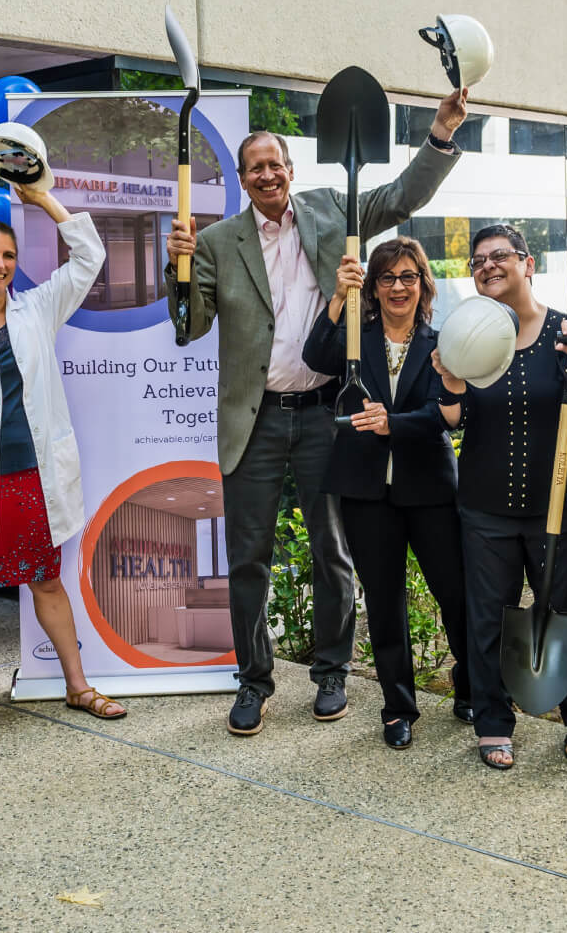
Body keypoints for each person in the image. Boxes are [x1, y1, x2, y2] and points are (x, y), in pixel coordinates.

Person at [167, 92, 468, 737]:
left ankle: (332, 672)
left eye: (275, 164)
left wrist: (440, 135)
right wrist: (179, 269)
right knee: (248, 557)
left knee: (333, 551)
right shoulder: (216, 243)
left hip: (328, 412)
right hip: (255, 419)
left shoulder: (333, 210)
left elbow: (402, 197)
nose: (267, 175)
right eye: (255, 168)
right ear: (242, 178)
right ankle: (254, 680)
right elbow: (189, 328)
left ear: (290, 169)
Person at [0, 181, 125, 745]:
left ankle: (78, 686)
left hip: (36, 478)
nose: (0, 264)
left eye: (9, 255)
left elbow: (90, 256)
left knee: (47, 582)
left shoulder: (37, 308)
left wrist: (43, 201)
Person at [433, 224, 567, 771]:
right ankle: (493, 722)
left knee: (566, 610)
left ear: (528, 264)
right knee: (488, 617)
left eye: (499, 255)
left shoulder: (566, 334)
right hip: (485, 506)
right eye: (477, 261)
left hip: (556, 501)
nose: (487, 265)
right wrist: (450, 380)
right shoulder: (465, 336)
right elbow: (452, 419)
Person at [301, 237, 469, 749]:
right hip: (365, 490)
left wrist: (392, 423)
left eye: (408, 277)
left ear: (423, 284)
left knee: (455, 594)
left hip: (430, 488)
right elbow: (314, 355)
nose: (398, 287)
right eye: (387, 278)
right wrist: (338, 297)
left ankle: (471, 687)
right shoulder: (356, 338)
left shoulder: (443, 343)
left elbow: (449, 414)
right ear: (372, 287)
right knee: (384, 602)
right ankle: (398, 708)